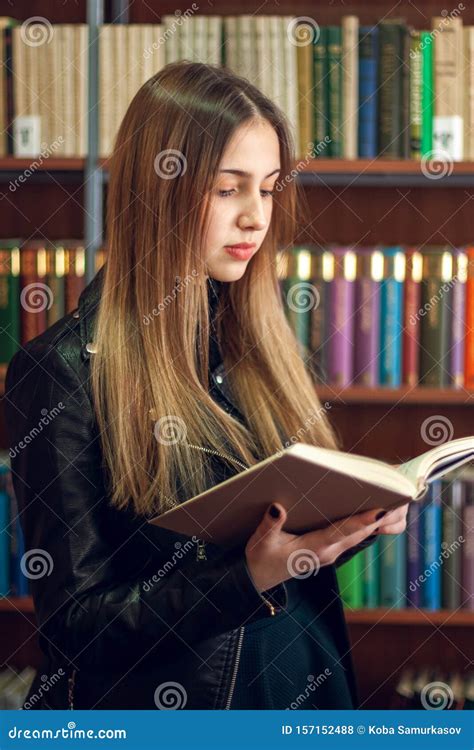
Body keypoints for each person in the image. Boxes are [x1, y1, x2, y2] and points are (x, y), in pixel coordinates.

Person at [5, 61, 408, 710]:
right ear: (158, 190)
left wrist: (353, 520)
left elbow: (290, 568)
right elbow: (75, 632)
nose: (256, 218)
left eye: (270, 189)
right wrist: (245, 577)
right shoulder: (62, 372)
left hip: (306, 692)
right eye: (228, 190)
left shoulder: (262, 352)